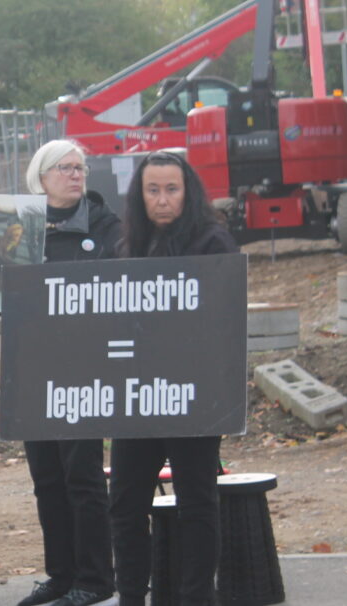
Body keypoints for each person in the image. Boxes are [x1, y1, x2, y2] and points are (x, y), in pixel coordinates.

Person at [109, 150, 237, 606]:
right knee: (124, 505)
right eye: (153, 190)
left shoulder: (212, 242)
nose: (162, 200)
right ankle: (130, 597)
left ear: (188, 192)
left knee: (197, 503)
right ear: (139, 195)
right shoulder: (127, 246)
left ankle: (197, 598)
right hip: (137, 396)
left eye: (171, 189)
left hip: (193, 396)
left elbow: (225, 320)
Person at [16, 140, 120, 606]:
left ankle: (96, 579)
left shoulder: (108, 228)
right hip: (34, 368)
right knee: (47, 479)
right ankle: (61, 575)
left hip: (85, 369)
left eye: (82, 168)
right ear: (41, 176)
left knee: (83, 477)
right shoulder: (18, 229)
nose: (77, 175)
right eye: (66, 168)